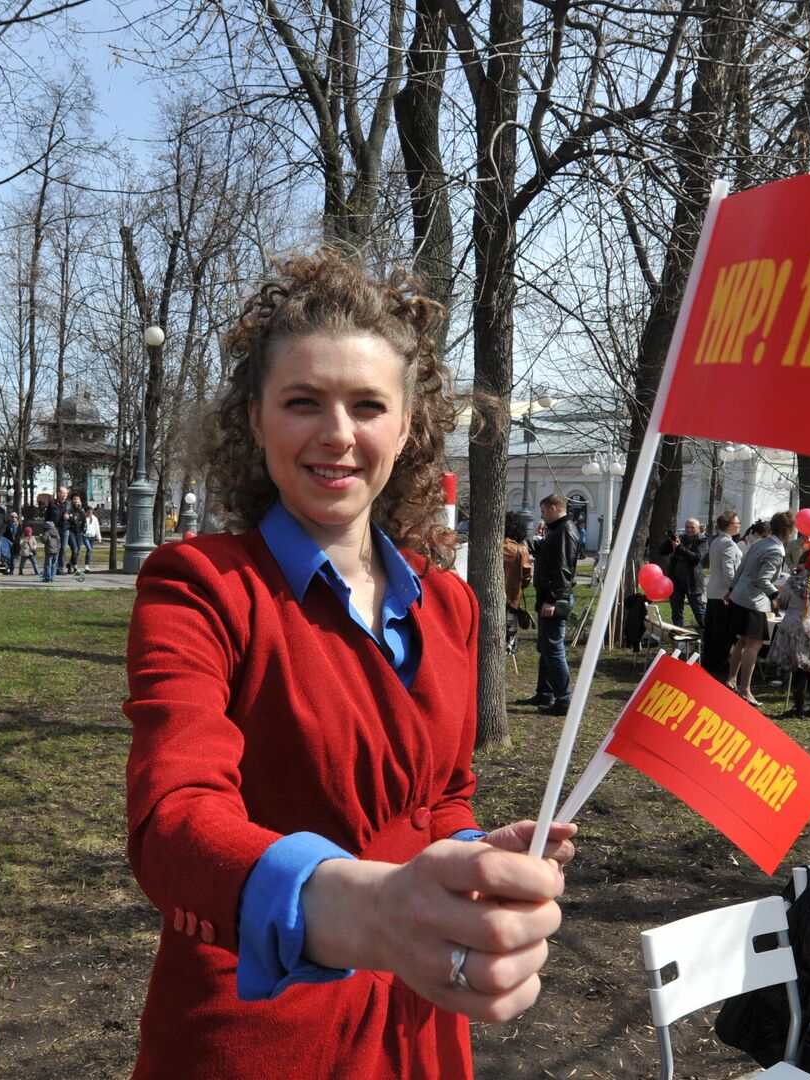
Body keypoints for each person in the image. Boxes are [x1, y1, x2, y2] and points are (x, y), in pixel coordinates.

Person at [123, 251, 576, 1079]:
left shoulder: (450, 607)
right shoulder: (201, 587)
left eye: (368, 405)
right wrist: (373, 912)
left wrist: (473, 856)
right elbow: (173, 823)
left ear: (407, 429)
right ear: (256, 420)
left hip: (419, 1017)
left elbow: (441, 794)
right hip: (260, 1029)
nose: (337, 433)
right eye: (303, 402)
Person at [729, 511, 793, 707]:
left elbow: (742, 567)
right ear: (789, 531)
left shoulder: (759, 542)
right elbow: (763, 580)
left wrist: (731, 588)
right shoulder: (775, 550)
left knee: (742, 642)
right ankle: (745, 689)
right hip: (753, 601)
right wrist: (776, 597)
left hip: (740, 595)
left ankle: (732, 679)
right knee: (754, 646)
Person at [529, 493, 580, 716]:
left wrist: (552, 599)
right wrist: (539, 549)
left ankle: (563, 699)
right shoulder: (557, 530)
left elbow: (563, 570)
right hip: (549, 596)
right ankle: (546, 693)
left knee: (553, 648)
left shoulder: (564, 530)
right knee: (547, 648)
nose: (542, 516)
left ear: (552, 508)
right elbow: (553, 561)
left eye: (542, 512)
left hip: (554, 598)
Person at [768, 549, 810, 718]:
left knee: (797, 668)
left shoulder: (792, 582)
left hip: (793, 626)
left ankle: (798, 707)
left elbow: (781, 603)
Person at [700, 511, 742, 678]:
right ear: (730, 526)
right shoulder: (729, 545)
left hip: (713, 591)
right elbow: (729, 573)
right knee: (722, 632)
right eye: (737, 523)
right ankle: (719, 662)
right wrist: (736, 589)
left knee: (712, 630)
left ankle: (710, 662)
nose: (739, 526)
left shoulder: (717, 541)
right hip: (724, 593)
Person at [665, 517, 708, 630]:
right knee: (676, 612)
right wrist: (670, 541)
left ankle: (707, 634)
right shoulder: (681, 538)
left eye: (692, 527)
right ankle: (678, 638)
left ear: (698, 528)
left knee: (698, 611)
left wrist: (680, 547)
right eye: (687, 527)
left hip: (692, 581)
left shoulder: (702, 541)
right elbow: (662, 551)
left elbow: (696, 558)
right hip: (676, 581)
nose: (689, 530)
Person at [500, 511, 532, 656]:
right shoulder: (521, 550)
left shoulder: (494, 546)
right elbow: (526, 577)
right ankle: (508, 651)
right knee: (509, 631)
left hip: (490, 597)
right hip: (512, 598)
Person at [38, 517, 61, 583]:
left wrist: (41, 536)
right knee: (54, 564)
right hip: (56, 550)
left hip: (49, 550)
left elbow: (44, 540)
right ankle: (53, 577)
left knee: (48, 564)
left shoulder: (47, 532)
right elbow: (59, 541)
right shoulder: (56, 532)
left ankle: (47, 577)